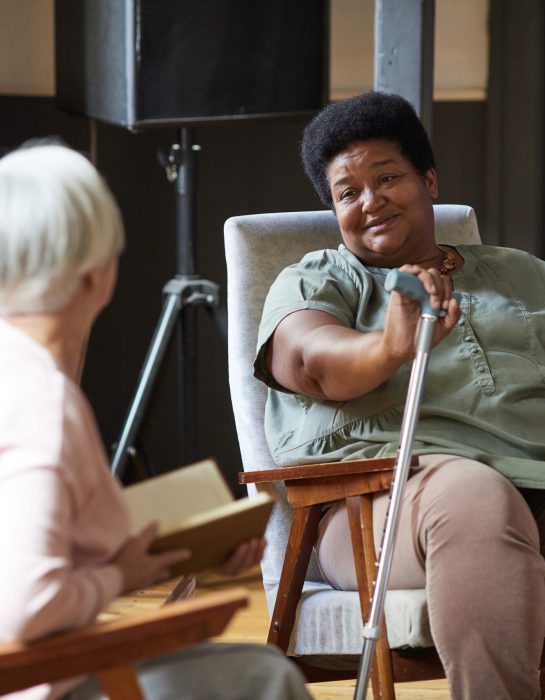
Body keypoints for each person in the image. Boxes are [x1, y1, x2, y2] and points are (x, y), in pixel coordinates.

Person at [253, 91, 545, 699]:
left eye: (387, 177)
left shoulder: (528, 273)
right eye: (347, 192)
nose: (370, 201)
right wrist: (388, 347)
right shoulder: (319, 278)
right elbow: (310, 361)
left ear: (429, 180)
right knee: (474, 496)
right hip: (386, 501)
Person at [0, 144, 312, 700]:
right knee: (268, 675)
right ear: (97, 275)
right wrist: (120, 577)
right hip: (42, 683)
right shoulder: (42, 401)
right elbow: (26, 605)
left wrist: (171, 554)